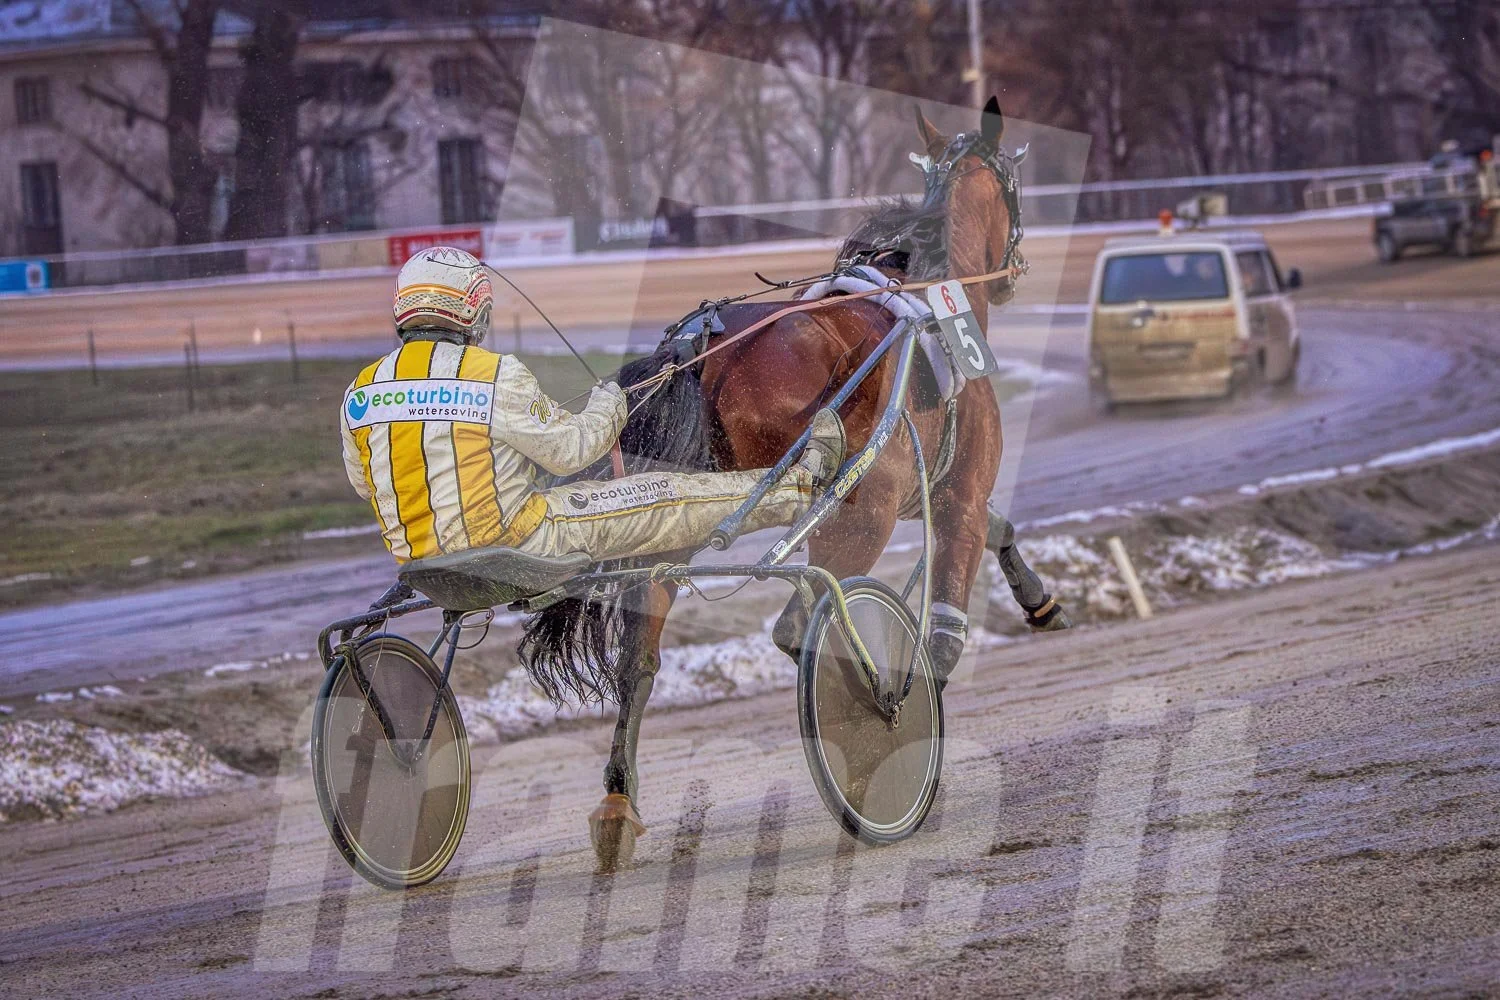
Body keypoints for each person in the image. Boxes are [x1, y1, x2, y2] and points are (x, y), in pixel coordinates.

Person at [340, 246, 844, 565]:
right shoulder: (494, 374)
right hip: (517, 544)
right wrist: (611, 400)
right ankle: (803, 485)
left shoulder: (360, 391)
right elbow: (572, 451)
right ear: (476, 312)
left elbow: (369, 483)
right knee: (666, 494)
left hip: (422, 563)